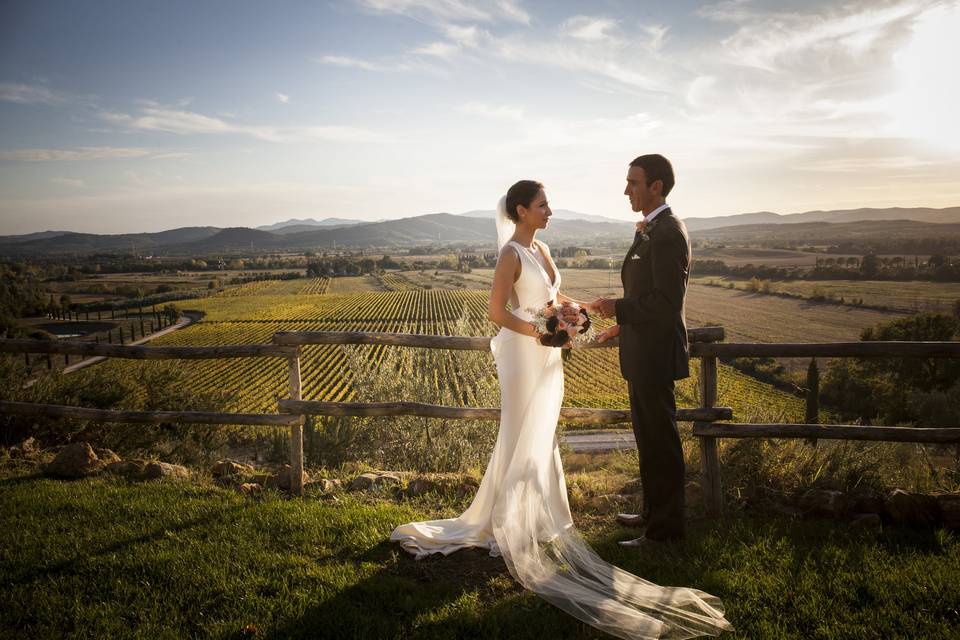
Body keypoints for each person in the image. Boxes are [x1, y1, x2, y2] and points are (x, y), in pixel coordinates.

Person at [390, 179, 732, 639]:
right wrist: (541, 334)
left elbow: (553, 299)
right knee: (518, 428)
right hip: (523, 351)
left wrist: (576, 313)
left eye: (548, 204)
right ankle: (503, 519)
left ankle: (541, 513)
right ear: (520, 210)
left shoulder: (544, 249)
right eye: (542, 205)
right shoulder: (510, 253)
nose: (549, 210)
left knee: (543, 429)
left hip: (549, 352)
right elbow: (497, 311)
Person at [590, 154, 691, 546]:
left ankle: (666, 531)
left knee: (660, 442)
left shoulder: (667, 233)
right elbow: (649, 295)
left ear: (656, 187)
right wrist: (623, 322)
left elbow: (666, 302)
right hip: (642, 350)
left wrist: (619, 307)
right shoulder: (654, 228)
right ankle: (652, 514)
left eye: (633, 182)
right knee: (648, 439)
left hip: (654, 356)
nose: (626, 189)